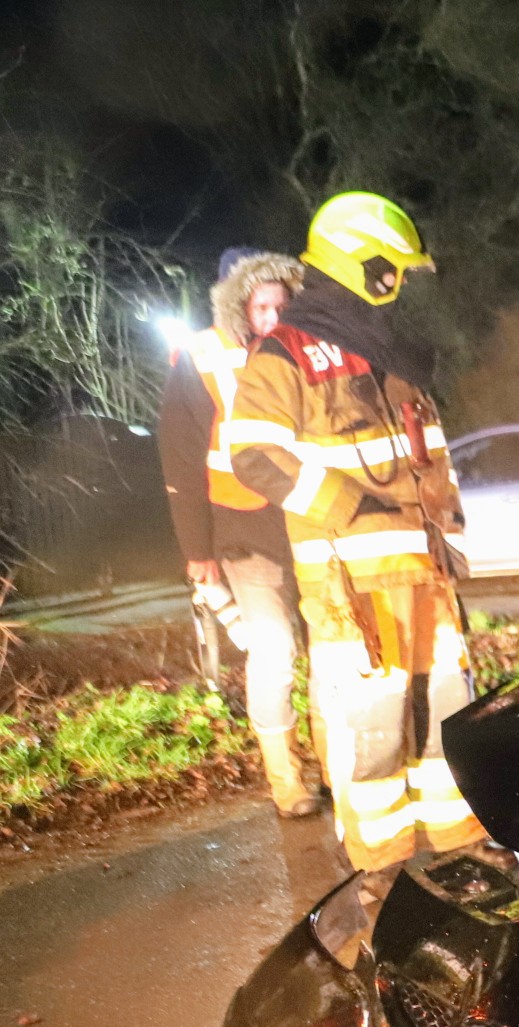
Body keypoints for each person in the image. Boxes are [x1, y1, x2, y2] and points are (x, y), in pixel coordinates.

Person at [225, 192, 485, 872]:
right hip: (353, 590)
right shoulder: (283, 353)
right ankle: (378, 872)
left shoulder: (392, 353)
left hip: (424, 573)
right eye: (391, 270)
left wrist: (449, 534)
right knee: (370, 730)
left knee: (445, 712)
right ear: (361, 266)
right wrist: (349, 506)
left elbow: (429, 457)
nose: (397, 285)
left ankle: (460, 852)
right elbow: (252, 453)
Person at [156, 247, 319, 817]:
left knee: (328, 646)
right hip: (241, 524)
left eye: (281, 305)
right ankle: (286, 780)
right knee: (273, 648)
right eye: (260, 307)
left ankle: (333, 763)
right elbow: (180, 459)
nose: (272, 317)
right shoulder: (201, 356)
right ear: (237, 306)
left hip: (308, 517)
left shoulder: (309, 350)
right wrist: (197, 550)